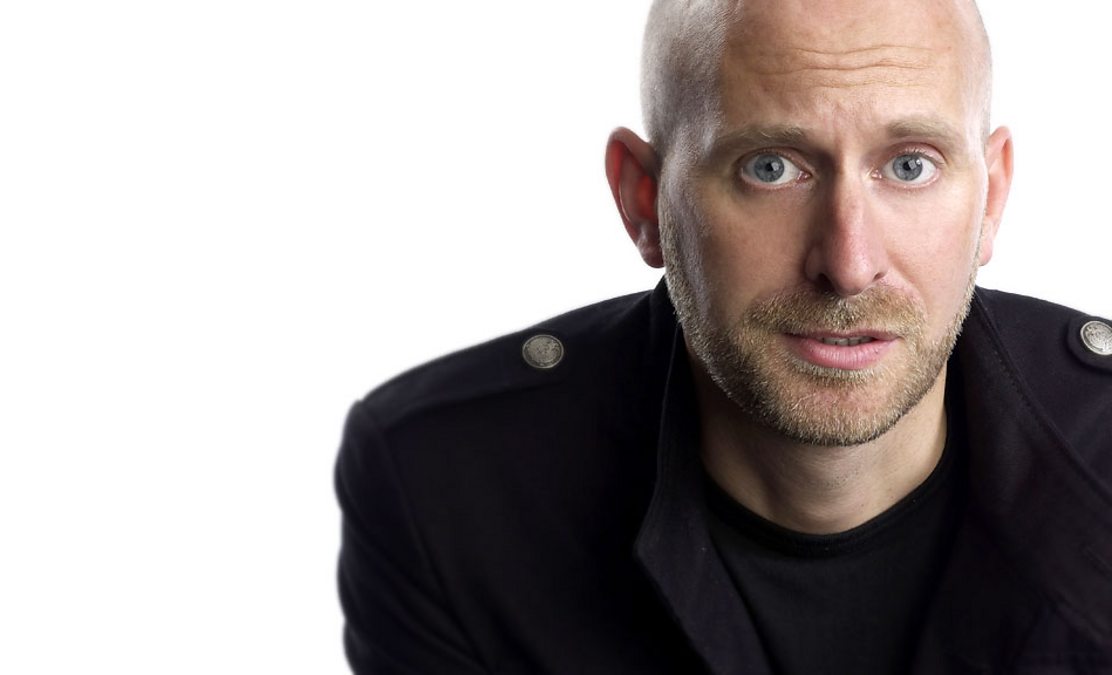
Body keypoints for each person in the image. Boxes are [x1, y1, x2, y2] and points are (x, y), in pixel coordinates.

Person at [335, 0, 1112, 672]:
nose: (848, 265)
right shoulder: (445, 493)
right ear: (644, 200)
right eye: (770, 168)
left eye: (910, 166)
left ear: (992, 197)